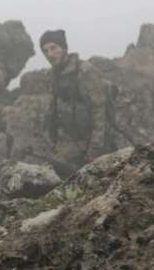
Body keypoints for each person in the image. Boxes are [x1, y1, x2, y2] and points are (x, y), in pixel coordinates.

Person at [40, 29, 114, 173]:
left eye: (53, 48)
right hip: (73, 142)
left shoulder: (85, 71)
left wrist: (94, 152)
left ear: (64, 48)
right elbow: (52, 111)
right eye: (45, 51)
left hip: (96, 143)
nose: (50, 54)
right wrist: (52, 143)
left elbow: (99, 112)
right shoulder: (54, 76)